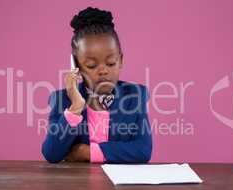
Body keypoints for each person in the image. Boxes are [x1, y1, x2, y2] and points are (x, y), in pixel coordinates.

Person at [42, 7, 152, 163]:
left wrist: (88, 152)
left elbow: (143, 150)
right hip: (77, 185)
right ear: (76, 66)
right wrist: (75, 108)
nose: (103, 71)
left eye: (111, 63)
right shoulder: (62, 100)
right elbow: (52, 154)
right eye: (92, 65)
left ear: (121, 60)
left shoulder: (135, 96)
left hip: (120, 185)